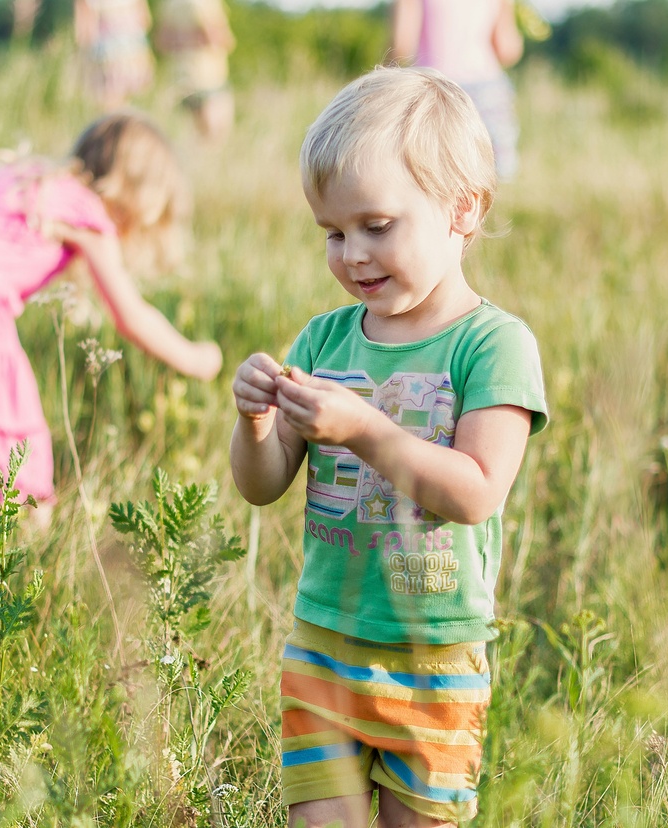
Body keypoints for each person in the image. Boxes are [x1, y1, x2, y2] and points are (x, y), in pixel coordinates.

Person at [230, 66, 547, 827]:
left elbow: (476, 490)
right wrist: (255, 424)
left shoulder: (492, 346)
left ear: (461, 211)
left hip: (432, 653)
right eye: (333, 234)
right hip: (323, 637)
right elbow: (263, 485)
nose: (353, 255)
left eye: (377, 226)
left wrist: (367, 429)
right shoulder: (325, 338)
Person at [0, 112, 222, 512]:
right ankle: (25, 535)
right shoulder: (88, 214)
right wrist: (197, 359)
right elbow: (131, 316)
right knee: (19, 439)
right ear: (140, 198)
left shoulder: (25, 176)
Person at [390, 0, 523, 180]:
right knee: (493, 170)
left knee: (433, 171)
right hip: (487, 88)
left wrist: (383, 76)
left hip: (434, 88)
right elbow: (507, 50)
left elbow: (402, 46)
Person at [155, 0, 235, 143]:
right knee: (214, 138)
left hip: (180, 79)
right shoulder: (206, 4)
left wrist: (182, 40)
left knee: (190, 138)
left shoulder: (169, 3)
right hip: (210, 79)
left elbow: (161, 41)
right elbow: (218, 39)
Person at [74, 0, 154, 110]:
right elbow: (145, 19)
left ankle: (118, 120)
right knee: (112, 98)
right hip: (112, 51)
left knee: (115, 98)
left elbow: (144, 19)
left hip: (123, 49)